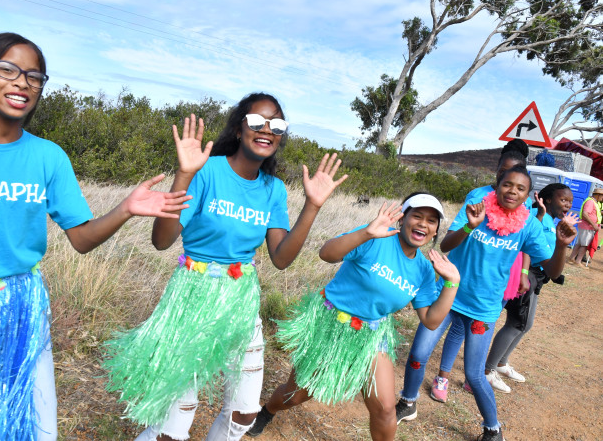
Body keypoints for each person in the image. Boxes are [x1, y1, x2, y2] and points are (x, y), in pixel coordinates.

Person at [0, 33, 191, 440]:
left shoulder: (48, 156)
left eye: (34, 76)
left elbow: (81, 238)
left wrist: (126, 209)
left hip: (21, 306)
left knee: (37, 428)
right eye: (8, 69)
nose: (22, 82)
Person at [102, 93, 348, 441]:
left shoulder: (273, 189)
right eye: (257, 122)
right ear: (238, 128)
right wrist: (184, 175)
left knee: (243, 414)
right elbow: (162, 240)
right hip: (193, 297)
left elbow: (281, 258)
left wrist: (312, 206)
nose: (267, 130)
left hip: (241, 299)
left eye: (276, 125)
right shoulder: (207, 172)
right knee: (174, 425)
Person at [246, 194, 461, 441]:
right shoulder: (376, 236)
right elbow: (326, 254)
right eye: (417, 216)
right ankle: (267, 411)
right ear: (403, 219)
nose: (424, 223)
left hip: (372, 335)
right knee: (296, 395)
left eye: (432, 221)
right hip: (332, 324)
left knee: (385, 409)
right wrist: (366, 233)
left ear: (434, 232)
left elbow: (431, 320)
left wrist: (452, 282)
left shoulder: (423, 270)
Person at [396, 166, 577, 441]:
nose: (512, 191)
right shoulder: (477, 206)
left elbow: (552, 271)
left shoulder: (528, 224)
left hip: (484, 309)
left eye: (520, 188)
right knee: (419, 355)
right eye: (507, 185)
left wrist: (562, 246)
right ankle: (407, 402)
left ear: (528, 195)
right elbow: (445, 245)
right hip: (447, 296)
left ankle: (493, 430)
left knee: (475, 374)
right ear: (497, 185)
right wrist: (470, 226)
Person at [413, 139, 533, 404]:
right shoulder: (478, 196)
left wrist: (523, 272)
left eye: (516, 174)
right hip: (462, 273)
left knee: (468, 325)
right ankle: (443, 376)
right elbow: (454, 237)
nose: (508, 179)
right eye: (503, 172)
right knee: (454, 322)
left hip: (497, 276)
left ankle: (469, 376)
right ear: (498, 169)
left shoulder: (524, 205)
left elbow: (528, 242)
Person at [484, 184, 579, 392]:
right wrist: (524, 274)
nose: (568, 204)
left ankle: (501, 363)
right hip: (528, 274)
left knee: (524, 324)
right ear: (547, 199)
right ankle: (488, 369)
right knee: (518, 322)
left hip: (539, 275)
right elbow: (525, 246)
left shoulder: (551, 220)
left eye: (570, 201)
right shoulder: (536, 216)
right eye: (563, 200)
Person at [569, 187, 603, 266]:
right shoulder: (591, 202)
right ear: (597, 195)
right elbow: (585, 214)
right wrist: (593, 224)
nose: (602, 198)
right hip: (587, 226)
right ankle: (578, 261)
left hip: (586, 226)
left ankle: (571, 258)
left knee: (580, 243)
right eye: (602, 196)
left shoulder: (593, 201)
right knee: (584, 245)